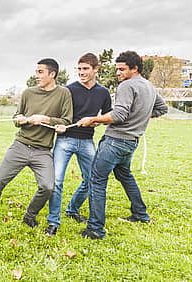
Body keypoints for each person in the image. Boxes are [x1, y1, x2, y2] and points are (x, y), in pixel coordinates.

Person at [77, 51, 168, 239]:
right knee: (125, 175)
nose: (118, 73)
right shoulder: (149, 86)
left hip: (115, 142)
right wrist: (138, 117)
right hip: (131, 143)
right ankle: (140, 214)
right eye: (117, 68)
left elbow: (118, 116)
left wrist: (93, 119)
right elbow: (162, 108)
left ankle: (95, 229)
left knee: (97, 181)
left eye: (122, 69)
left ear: (134, 69)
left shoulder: (127, 86)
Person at [0, 58, 73, 234]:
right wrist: (19, 119)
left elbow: (66, 121)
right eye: (36, 72)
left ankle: (30, 215)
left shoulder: (63, 93)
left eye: (40, 72)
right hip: (20, 145)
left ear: (52, 74)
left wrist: (45, 119)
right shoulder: (28, 93)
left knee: (47, 187)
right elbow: (16, 116)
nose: (36, 76)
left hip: (43, 151)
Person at [45, 53, 112, 236]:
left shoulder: (103, 93)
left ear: (96, 69)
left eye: (85, 69)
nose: (81, 72)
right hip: (65, 140)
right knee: (57, 181)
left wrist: (95, 121)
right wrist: (59, 126)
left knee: (92, 180)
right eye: (79, 69)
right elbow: (58, 115)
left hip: (87, 141)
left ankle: (72, 209)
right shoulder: (68, 90)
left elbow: (107, 117)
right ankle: (53, 222)